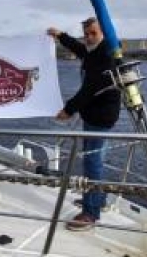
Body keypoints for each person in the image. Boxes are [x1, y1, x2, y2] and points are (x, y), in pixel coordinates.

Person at [48, 17, 120, 231]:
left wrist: (68, 110)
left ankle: (91, 213)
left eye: (93, 33)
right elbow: (80, 49)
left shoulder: (105, 56)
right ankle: (98, 199)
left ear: (103, 33)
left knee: (92, 163)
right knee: (93, 160)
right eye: (86, 34)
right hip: (93, 116)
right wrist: (61, 36)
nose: (88, 37)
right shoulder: (93, 51)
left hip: (100, 118)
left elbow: (89, 90)